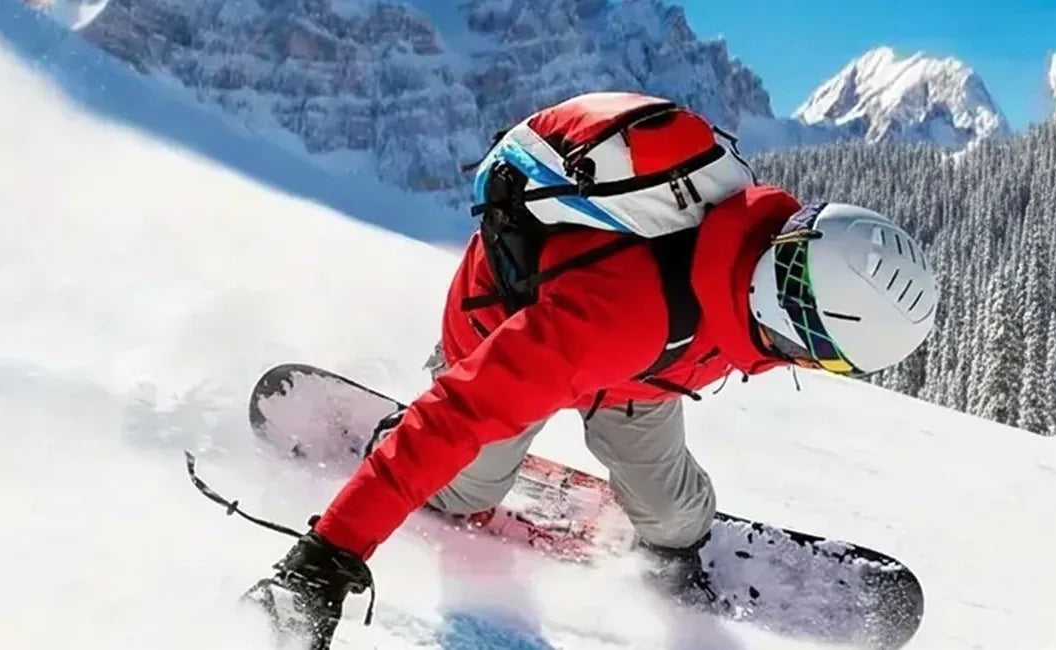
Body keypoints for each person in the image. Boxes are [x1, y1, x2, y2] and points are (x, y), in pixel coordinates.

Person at [243, 93, 940, 650]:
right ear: (797, 328)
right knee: (463, 492)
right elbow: (459, 414)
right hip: (510, 331)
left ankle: (668, 539)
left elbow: (683, 326)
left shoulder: (749, 258)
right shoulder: (615, 318)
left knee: (673, 522)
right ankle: (414, 453)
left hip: (644, 373)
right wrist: (326, 558)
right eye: (821, 354)